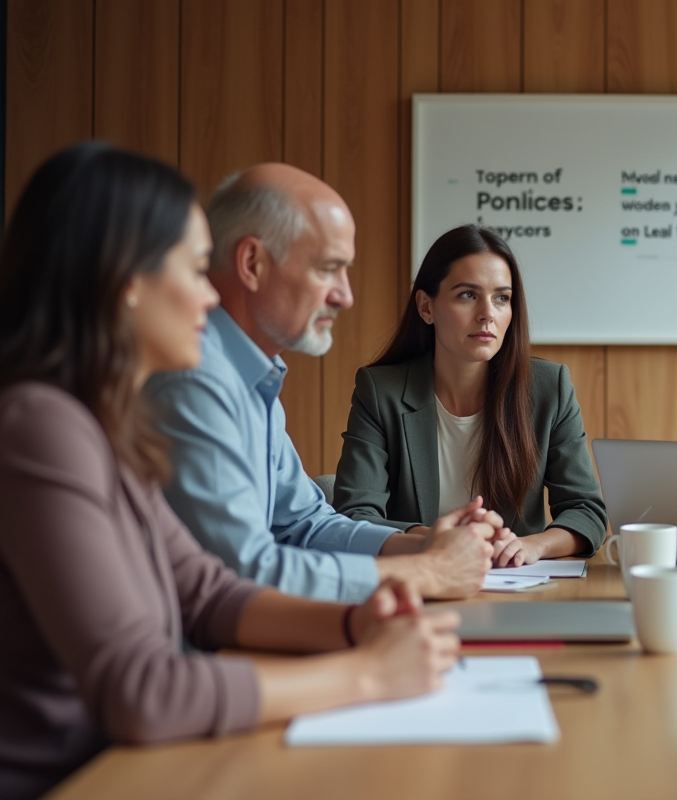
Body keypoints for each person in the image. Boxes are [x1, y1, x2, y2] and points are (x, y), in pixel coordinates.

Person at [0, 143, 462, 800]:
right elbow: (141, 690)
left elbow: (207, 592)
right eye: (195, 269)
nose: (209, 294)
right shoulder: (40, 427)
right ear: (126, 281)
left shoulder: (102, 427)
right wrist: (368, 674)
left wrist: (351, 625)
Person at [144, 165, 499, 603]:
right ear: (252, 263)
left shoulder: (254, 375)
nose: (345, 296)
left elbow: (304, 524)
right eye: (328, 269)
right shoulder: (197, 378)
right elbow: (243, 569)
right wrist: (427, 571)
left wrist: (426, 544)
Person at [334, 225, 607, 568]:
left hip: (517, 584)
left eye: (501, 298)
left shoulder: (549, 388)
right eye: (467, 295)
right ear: (426, 307)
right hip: (419, 582)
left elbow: (587, 511)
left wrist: (531, 546)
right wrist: (435, 540)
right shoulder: (380, 391)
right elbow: (355, 516)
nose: (487, 314)